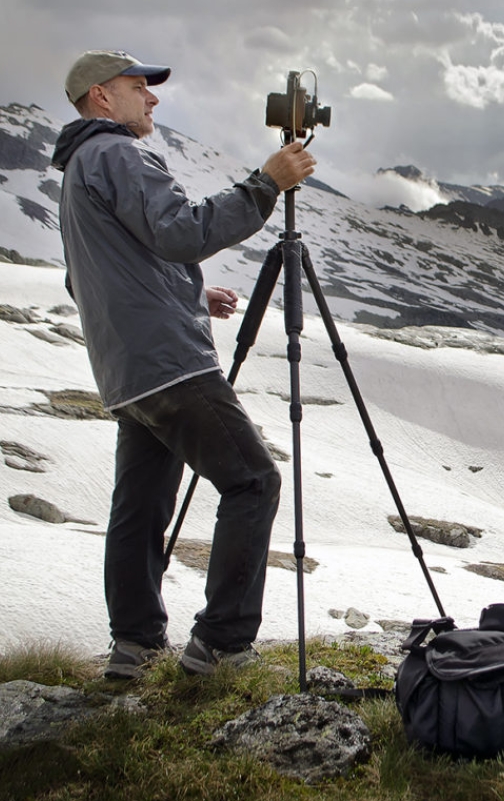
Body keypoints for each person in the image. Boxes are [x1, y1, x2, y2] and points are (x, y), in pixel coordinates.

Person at [50, 49, 316, 678]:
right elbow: (178, 231)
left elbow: (93, 275)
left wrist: (193, 294)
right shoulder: (117, 153)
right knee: (254, 481)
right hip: (170, 363)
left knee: (139, 508)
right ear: (100, 97)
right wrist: (266, 182)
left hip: (126, 371)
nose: (153, 98)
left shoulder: (78, 170)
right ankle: (220, 646)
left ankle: (135, 646)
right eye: (138, 86)